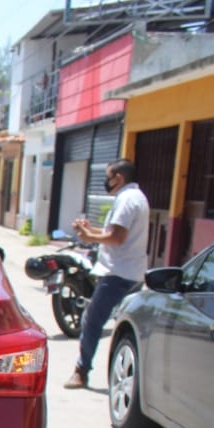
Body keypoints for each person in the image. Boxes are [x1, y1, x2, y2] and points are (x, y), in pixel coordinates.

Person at [64, 158, 150, 389]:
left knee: (91, 320)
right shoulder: (137, 197)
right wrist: (91, 230)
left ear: (119, 178)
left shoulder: (126, 200)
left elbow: (117, 237)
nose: (106, 181)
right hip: (132, 272)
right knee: (123, 324)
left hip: (118, 274)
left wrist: (88, 237)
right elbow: (115, 232)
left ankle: (82, 370)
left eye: (109, 176)